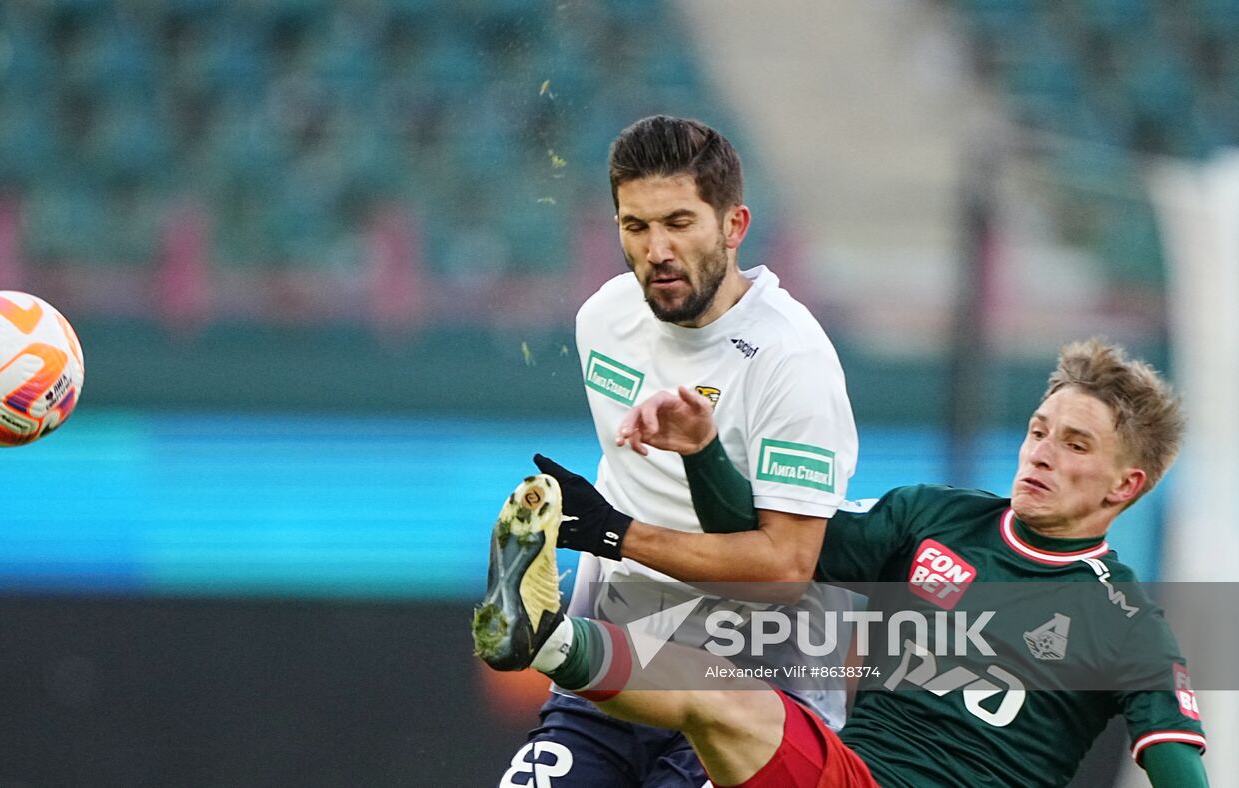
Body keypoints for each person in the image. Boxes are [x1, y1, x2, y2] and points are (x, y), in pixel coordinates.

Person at [475, 339, 1208, 787]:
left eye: (1075, 444)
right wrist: (701, 455)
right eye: (1039, 429)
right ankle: (542, 637)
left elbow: (1177, 766)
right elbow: (766, 544)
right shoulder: (937, 517)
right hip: (843, 776)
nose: (1042, 451)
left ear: (1126, 485)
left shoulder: (1125, 624)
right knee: (721, 687)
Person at [481, 114, 859, 787]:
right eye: (636, 226)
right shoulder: (603, 320)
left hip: (753, 687)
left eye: (679, 223)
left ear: (733, 226)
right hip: (624, 661)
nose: (656, 249)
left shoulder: (791, 361)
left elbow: (784, 573)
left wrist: (612, 533)